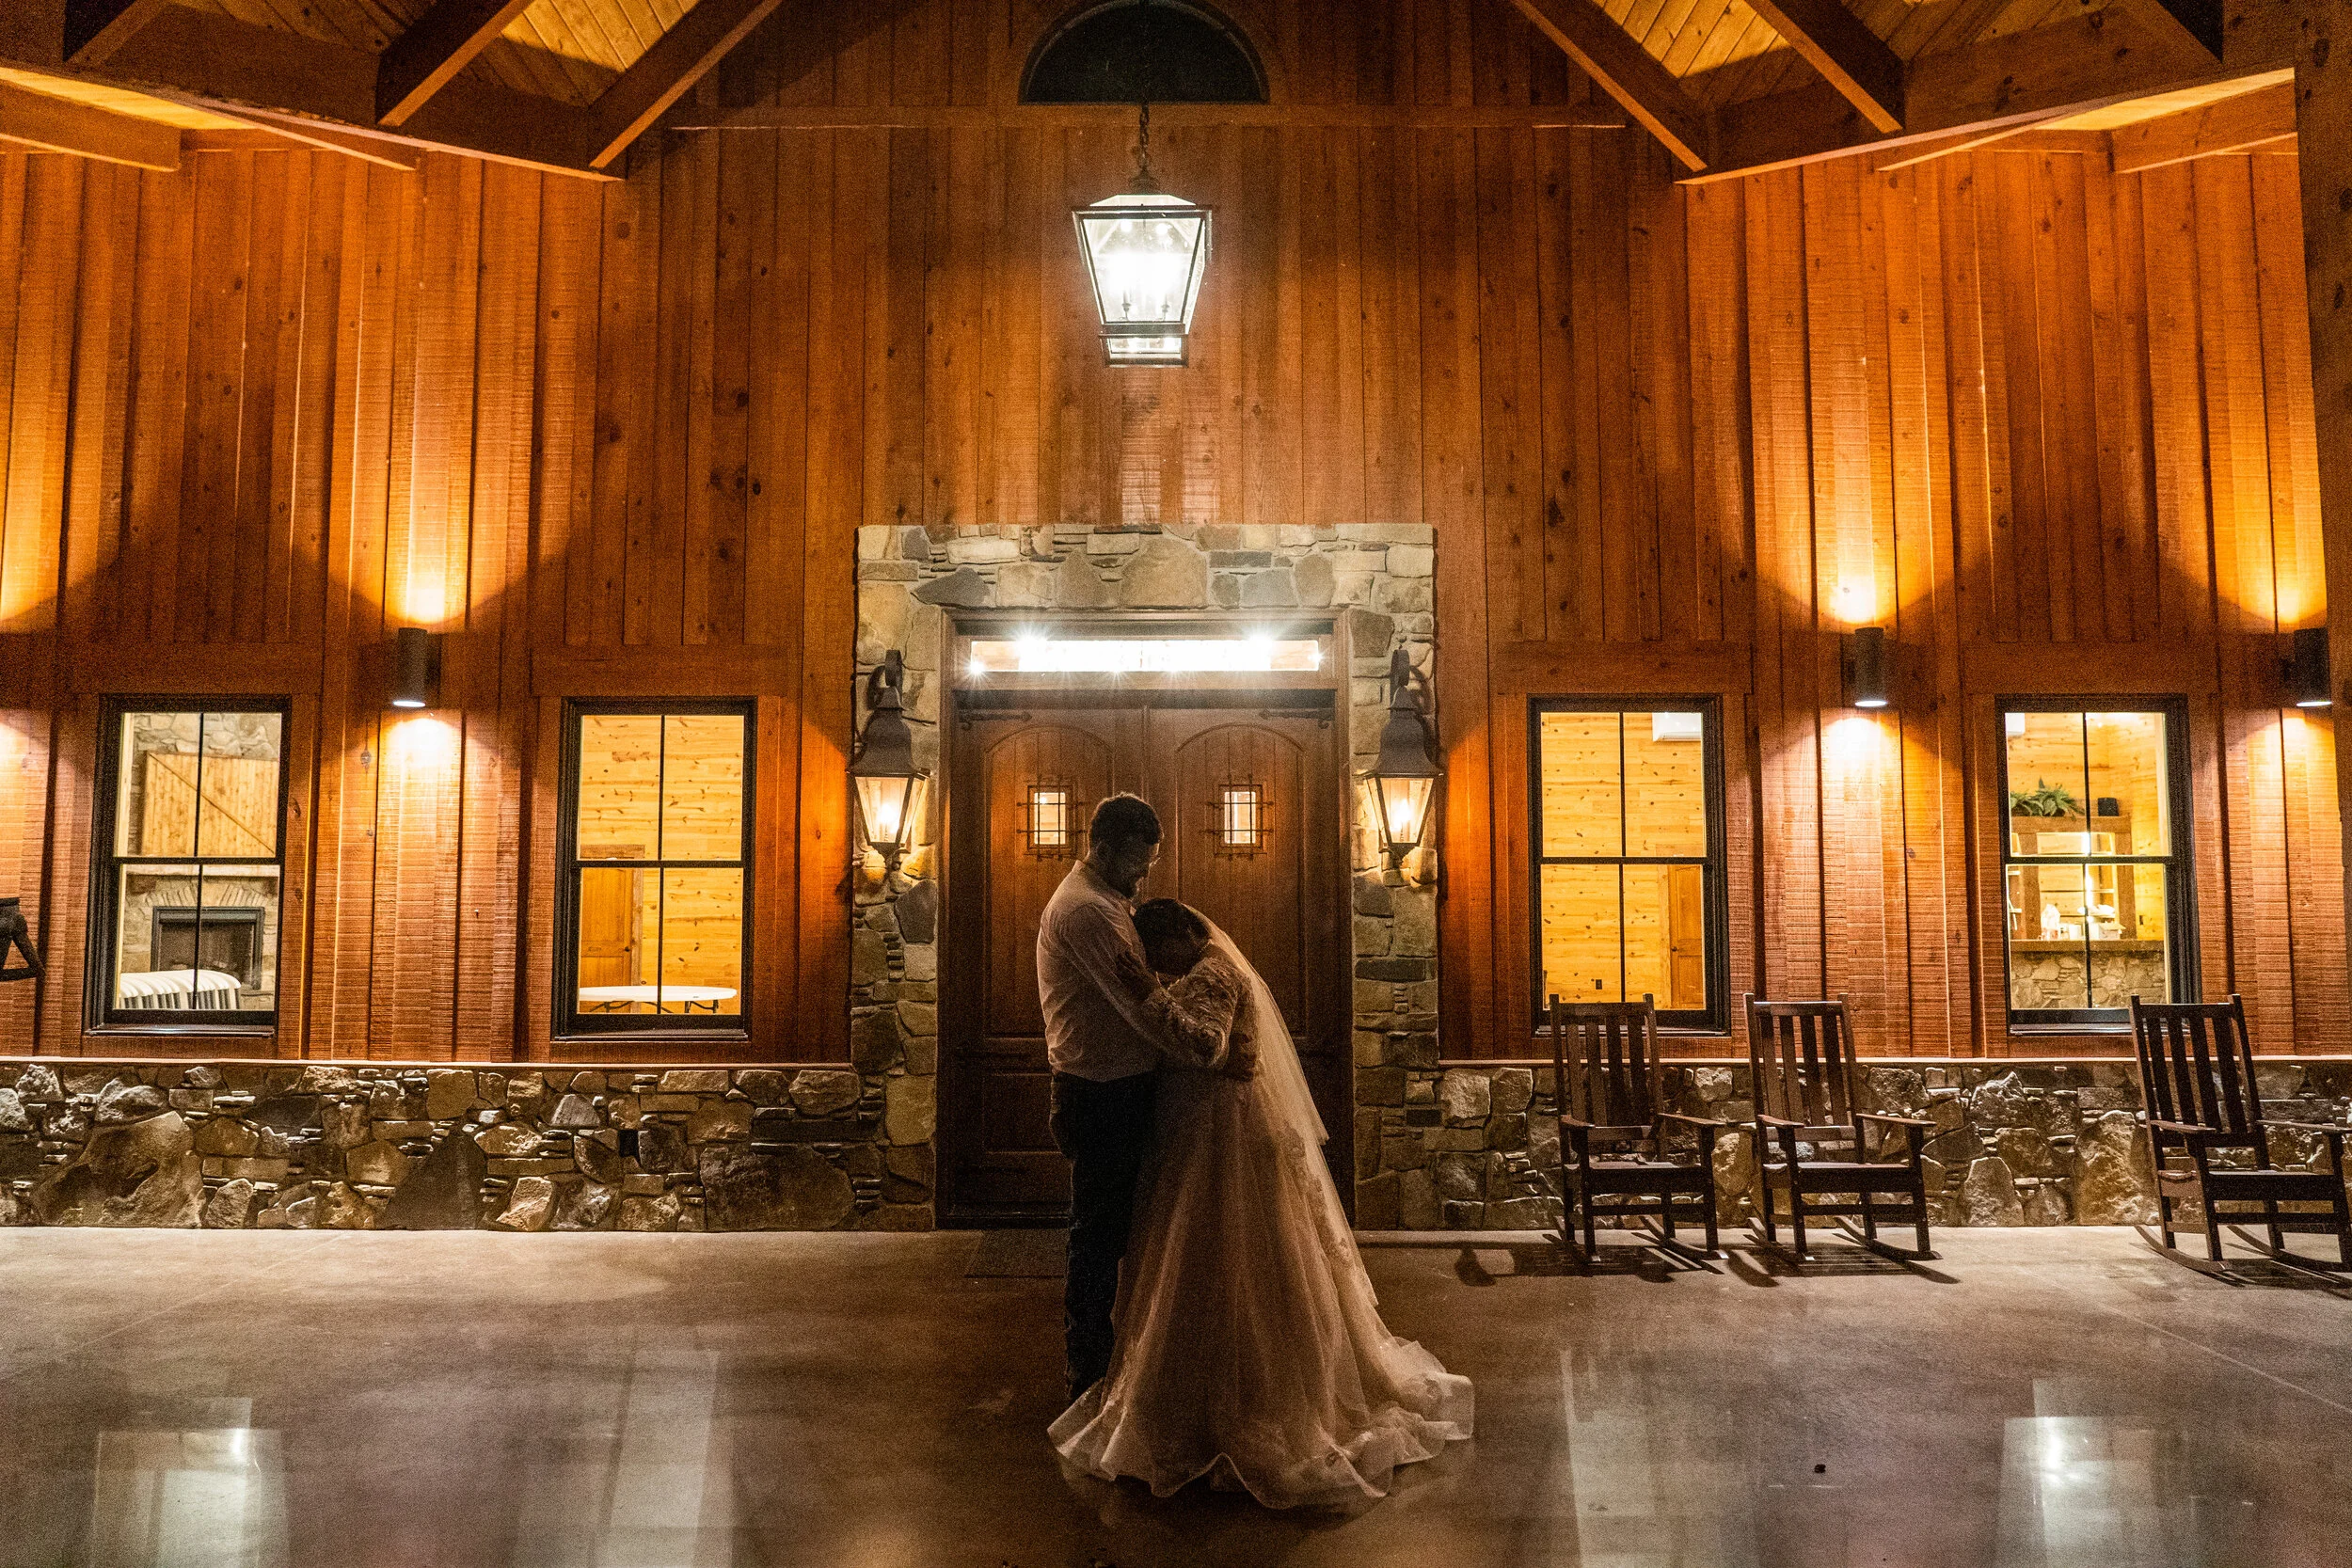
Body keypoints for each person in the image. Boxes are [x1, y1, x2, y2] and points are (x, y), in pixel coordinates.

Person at [1051, 897, 1474, 1509]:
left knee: (1227, 1259)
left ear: (1178, 937)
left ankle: (1239, 1406)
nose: (1157, 965)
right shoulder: (1210, 965)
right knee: (1208, 1263)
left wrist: (1148, 994)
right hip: (1203, 1132)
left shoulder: (1214, 970)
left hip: (1221, 1140)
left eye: (1158, 953)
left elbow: (1208, 1046)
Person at [1036, 795, 1251, 1405]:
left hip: (1118, 1090)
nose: (1146, 875)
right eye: (1139, 860)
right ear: (1102, 848)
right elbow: (1146, 1014)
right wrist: (1184, 1016)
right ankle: (1091, 1374)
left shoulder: (1104, 902)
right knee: (1100, 1238)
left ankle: (1127, 1361)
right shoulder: (1088, 914)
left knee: (1129, 1234)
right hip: (1102, 1095)